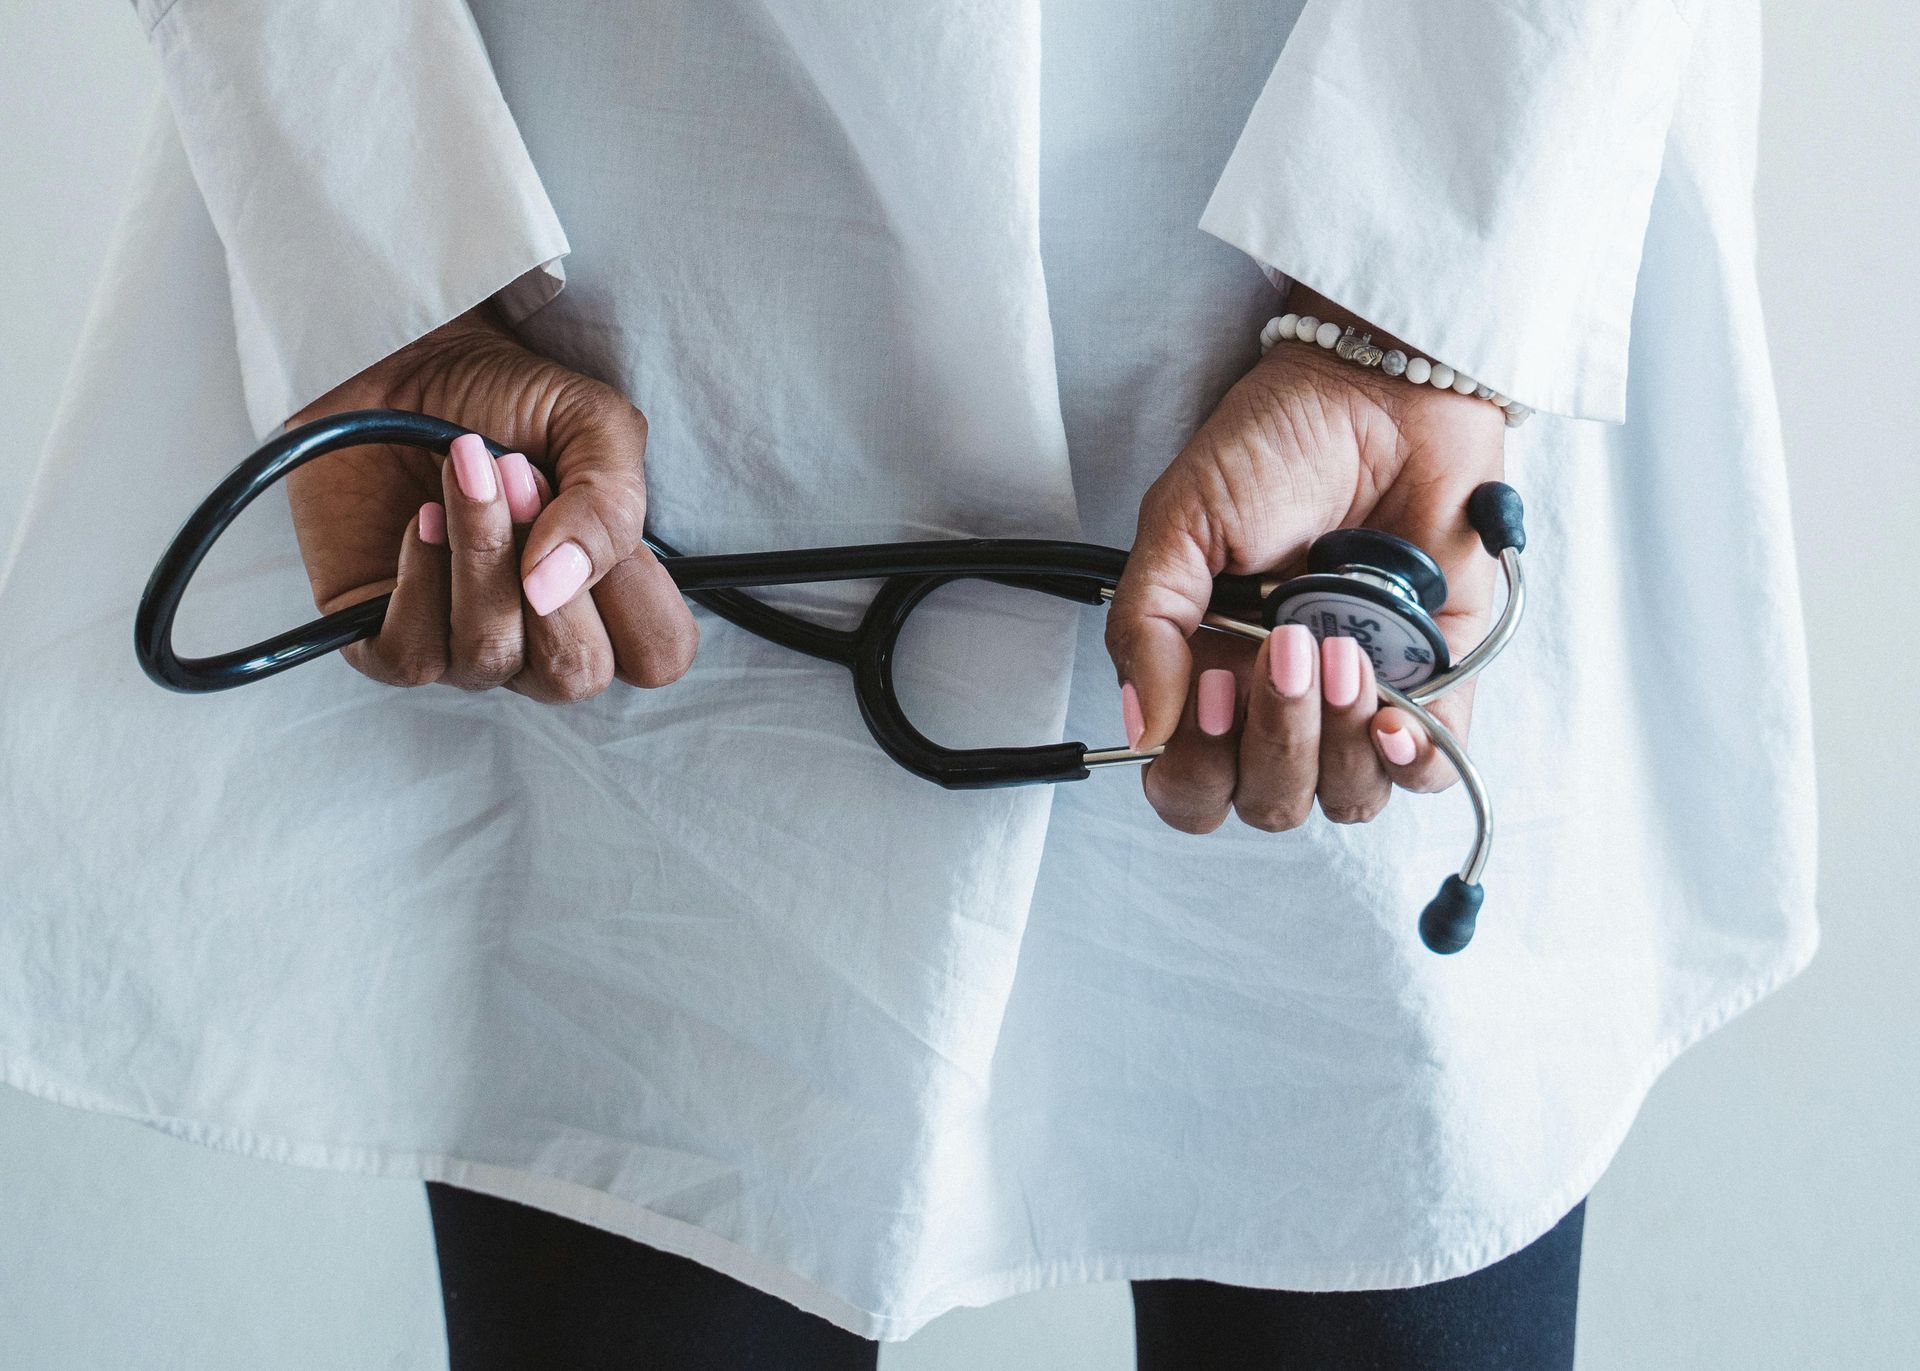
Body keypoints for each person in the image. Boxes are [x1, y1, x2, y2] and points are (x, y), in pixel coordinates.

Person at [0, 1, 1816, 1367]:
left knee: (1381, 1159)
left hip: (1393, 371)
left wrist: (1427, 305)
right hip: (615, 281)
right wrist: (383, 259)